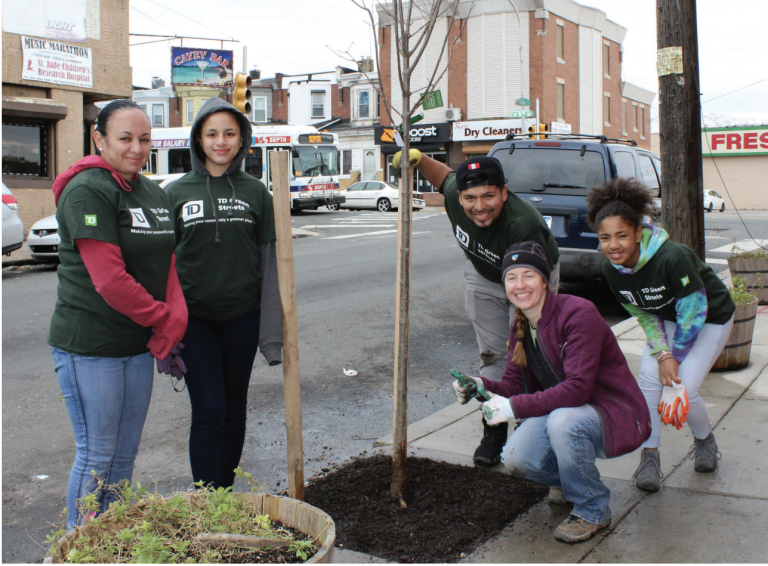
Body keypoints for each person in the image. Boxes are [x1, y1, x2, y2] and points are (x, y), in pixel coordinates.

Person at [453, 241, 651, 543]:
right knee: (517, 457)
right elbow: (513, 386)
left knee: (563, 422)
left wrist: (513, 409)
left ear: (545, 279)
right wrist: (480, 386)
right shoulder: (521, 324)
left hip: (613, 412)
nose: (520, 285)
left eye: (528, 275)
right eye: (511, 277)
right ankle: (574, 483)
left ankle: (592, 508)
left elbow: (578, 390)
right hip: (569, 409)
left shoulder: (578, 314)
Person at [49, 99, 188, 529]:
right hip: (90, 345)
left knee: (124, 455)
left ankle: (111, 542)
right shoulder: (88, 188)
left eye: (144, 139)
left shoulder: (152, 192)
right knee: (97, 454)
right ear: (100, 139)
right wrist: (162, 318)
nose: (136, 148)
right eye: (125, 138)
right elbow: (108, 279)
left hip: (135, 346)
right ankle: (79, 546)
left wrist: (175, 315)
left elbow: (168, 263)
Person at [391, 150, 560, 466]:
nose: (479, 207)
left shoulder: (523, 225)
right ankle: (494, 430)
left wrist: (521, 329)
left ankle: (534, 424)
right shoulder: (455, 195)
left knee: (529, 353)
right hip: (484, 275)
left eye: (489, 196)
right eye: (471, 198)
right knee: (493, 355)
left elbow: (529, 284)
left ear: (504, 193)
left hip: (529, 278)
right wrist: (415, 158)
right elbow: (442, 175)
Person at [586, 178, 736, 491]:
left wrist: (673, 361)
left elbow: (693, 314)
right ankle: (649, 456)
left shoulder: (671, 257)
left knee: (684, 386)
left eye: (622, 235)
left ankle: (705, 441)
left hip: (710, 317)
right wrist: (662, 355)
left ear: (638, 233)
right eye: (605, 238)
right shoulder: (611, 270)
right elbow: (641, 311)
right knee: (649, 384)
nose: (613, 245)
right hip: (666, 317)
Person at [166, 96, 283, 490]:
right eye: (212, 133)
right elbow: (161, 263)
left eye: (230, 133)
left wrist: (271, 330)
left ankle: (223, 496)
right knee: (209, 408)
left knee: (234, 410)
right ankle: (205, 500)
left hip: (243, 317)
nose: (221, 141)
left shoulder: (255, 193)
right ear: (198, 140)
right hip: (194, 319)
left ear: (241, 139)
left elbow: (269, 262)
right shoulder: (176, 193)